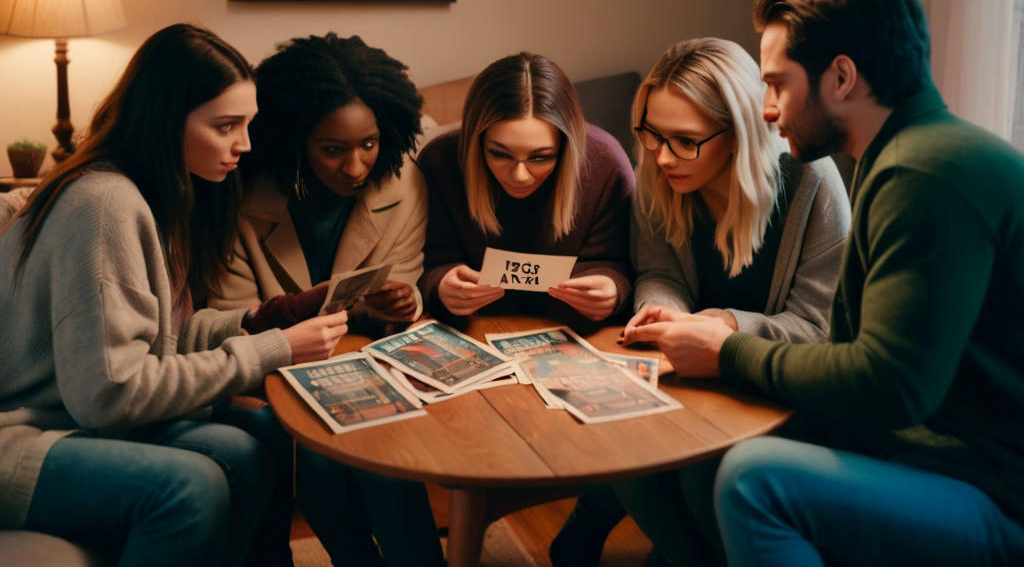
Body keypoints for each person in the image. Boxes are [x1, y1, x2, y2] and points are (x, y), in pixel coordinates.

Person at [638, 0, 1024, 566]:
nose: (766, 109)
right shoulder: (900, 157)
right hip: (938, 448)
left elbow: (889, 385)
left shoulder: (923, 174)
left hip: (993, 485)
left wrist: (729, 350)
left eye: (778, 84)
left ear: (841, 77)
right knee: (696, 459)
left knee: (752, 477)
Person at [0, 24, 350, 566]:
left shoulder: (154, 193)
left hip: (71, 419)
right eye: (225, 126)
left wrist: (264, 321)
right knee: (191, 486)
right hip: (24, 436)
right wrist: (273, 351)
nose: (245, 145)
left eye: (248, 124)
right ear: (165, 120)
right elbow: (110, 394)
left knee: (257, 437)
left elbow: (150, 342)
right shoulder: (102, 204)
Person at [553, 38, 850, 567]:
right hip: (690, 373)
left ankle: (615, 528)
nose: (662, 156)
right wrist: (666, 310)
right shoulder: (658, 174)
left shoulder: (812, 182)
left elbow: (822, 327)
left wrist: (726, 326)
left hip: (779, 386)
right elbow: (659, 271)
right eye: (650, 134)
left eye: (685, 141)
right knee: (630, 447)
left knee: (695, 471)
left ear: (738, 134)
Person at [207, 32, 444, 567]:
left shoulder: (404, 183)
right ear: (293, 139)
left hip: (361, 361)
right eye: (332, 149)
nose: (356, 167)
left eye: (369, 143)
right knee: (311, 448)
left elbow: (400, 290)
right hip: (268, 368)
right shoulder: (238, 195)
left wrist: (401, 303)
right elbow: (231, 319)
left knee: (382, 447)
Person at [417, 52, 634, 326]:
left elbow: (626, 264)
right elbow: (423, 265)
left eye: (540, 157)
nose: (519, 176)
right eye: (499, 154)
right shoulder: (441, 161)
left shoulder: (605, 165)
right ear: (476, 141)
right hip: (474, 327)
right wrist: (440, 284)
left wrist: (612, 288)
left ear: (565, 147)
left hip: (572, 331)